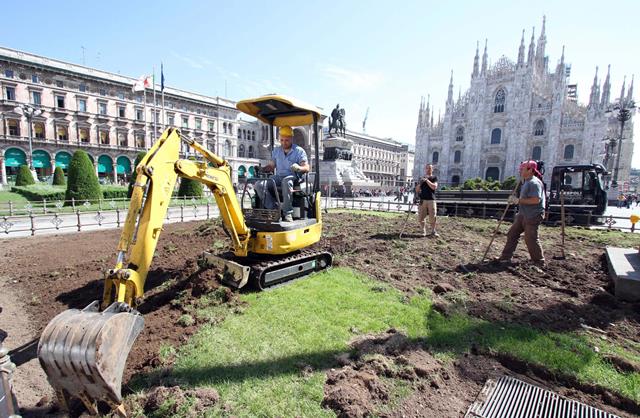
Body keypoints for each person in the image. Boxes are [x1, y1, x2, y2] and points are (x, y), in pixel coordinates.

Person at [254, 126, 309, 222]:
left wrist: (299, 168)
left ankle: (287, 213)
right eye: (282, 140)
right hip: (278, 177)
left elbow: (307, 167)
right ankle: (274, 210)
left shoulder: (299, 151)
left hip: (293, 177)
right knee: (259, 185)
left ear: (291, 139)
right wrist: (262, 169)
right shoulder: (276, 151)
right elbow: (271, 167)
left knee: (286, 181)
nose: (284, 143)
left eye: (286, 140)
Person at [497, 160, 546, 266]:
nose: (520, 171)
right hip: (523, 214)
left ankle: (538, 261)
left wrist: (518, 200)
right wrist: (516, 200)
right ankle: (505, 257)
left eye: (522, 169)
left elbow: (536, 200)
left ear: (531, 170)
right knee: (512, 234)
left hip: (533, 215)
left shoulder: (534, 183)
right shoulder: (526, 182)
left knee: (530, 238)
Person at [415, 164, 438, 237]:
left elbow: (434, 187)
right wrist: (420, 184)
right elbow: (417, 190)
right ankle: (423, 231)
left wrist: (427, 180)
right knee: (421, 216)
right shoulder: (421, 178)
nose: (428, 169)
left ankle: (433, 231)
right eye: (427, 168)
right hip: (423, 199)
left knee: (433, 216)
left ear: (432, 169)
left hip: (431, 200)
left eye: (430, 168)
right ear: (425, 169)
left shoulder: (434, 178)